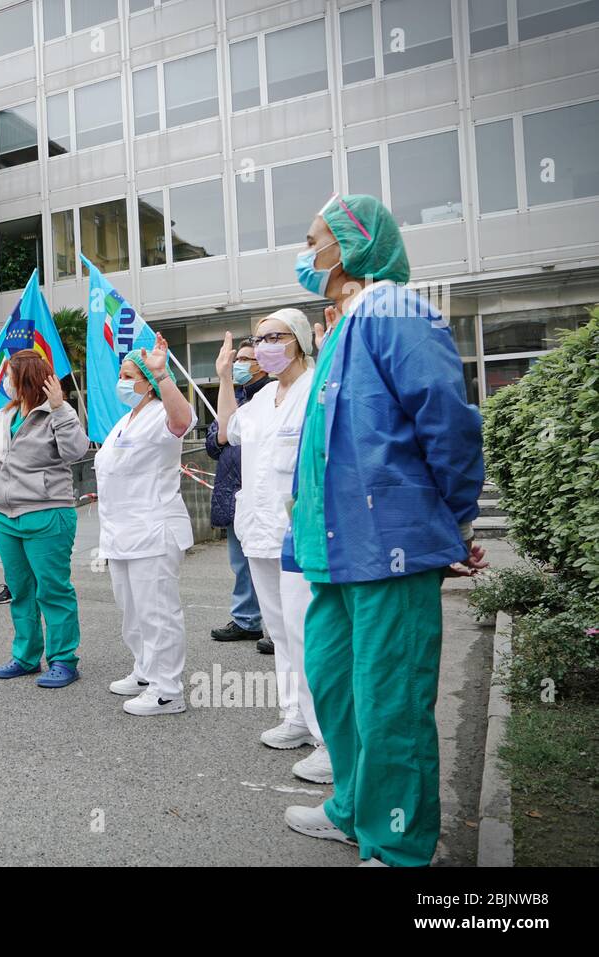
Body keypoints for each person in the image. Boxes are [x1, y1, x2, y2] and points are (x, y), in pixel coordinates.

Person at [281, 193, 486, 866]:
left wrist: (451, 518)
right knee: (337, 686)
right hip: (332, 550)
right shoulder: (342, 326)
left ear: (353, 245)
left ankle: (398, 844)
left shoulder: (398, 309)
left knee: (390, 701)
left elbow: (448, 421)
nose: (307, 252)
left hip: (390, 548)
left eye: (314, 239)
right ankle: (352, 809)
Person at [216, 308, 329, 783]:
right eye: (257, 338)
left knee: (312, 636)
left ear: (299, 341)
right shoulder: (262, 398)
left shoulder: (316, 391)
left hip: (300, 535)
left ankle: (329, 740)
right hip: (258, 533)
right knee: (280, 633)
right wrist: (224, 379)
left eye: (272, 337)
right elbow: (226, 434)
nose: (261, 347)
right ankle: (296, 718)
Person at [0, 349, 89, 688]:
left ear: (25, 379)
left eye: (10, 377)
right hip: (3, 514)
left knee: (53, 589)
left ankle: (63, 660)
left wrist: (59, 408)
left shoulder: (58, 411)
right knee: (21, 589)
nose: (5, 384)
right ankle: (27, 656)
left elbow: (76, 452)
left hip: (46, 513)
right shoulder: (5, 413)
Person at [95, 335, 197, 715]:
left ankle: (168, 689)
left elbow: (183, 420)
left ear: (148, 381)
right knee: (132, 610)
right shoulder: (126, 418)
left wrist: (163, 376)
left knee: (157, 612)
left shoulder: (161, 411)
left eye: (127, 375)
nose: (120, 381)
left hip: (153, 530)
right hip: (121, 532)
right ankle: (144, 670)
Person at [205, 339, 269, 649]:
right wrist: (225, 380)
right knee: (241, 563)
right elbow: (217, 441)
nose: (239, 363)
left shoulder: (271, 395)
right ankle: (247, 619)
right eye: (238, 358)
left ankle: (275, 626)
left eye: (246, 359)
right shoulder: (234, 397)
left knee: (271, 560)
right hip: (232, 493)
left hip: (263, 495)